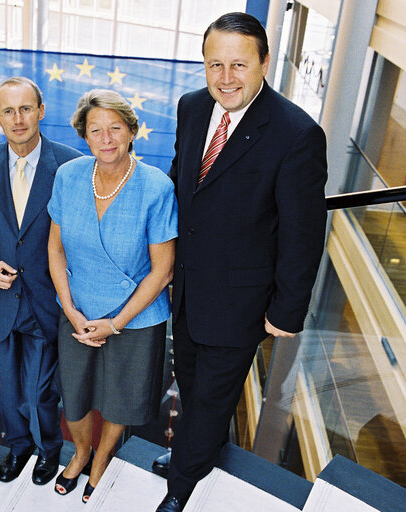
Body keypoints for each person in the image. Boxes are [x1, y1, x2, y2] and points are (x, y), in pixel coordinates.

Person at [153, 13, 327, 512]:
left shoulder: (297, 134)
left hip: (241, 300)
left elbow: (303, 233)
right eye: (215, 64)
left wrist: (286, 310)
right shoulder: (191, 107)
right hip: (185, 288)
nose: (225, 77)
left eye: (238, 65)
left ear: (264, 63)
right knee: (188, 380)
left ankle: (182, 486)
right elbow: (183, 178)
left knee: (210, 399)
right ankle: (197, 452)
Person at [48, 89, 177, 503]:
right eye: (95, 130)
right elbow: (55, 249)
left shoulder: (156, 187)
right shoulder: (69, 175)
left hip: (136, 317)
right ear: (84, 136)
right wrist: (69, 308)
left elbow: (163, 271)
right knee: (76, 396)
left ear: (132, 131)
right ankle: (81, 451)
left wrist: (116, 323)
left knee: (121, 400)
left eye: (115, 128)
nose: (105, 138)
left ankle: (102, 458)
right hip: (78, 309)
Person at [0, 76, 82, 485]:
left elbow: (76, 237)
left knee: (42, 391)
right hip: (0, 299)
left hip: (48, 299)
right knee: (9, 389)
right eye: (8, 111)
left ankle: (50, 450)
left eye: (26, 108)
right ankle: (19, 447)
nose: (18, 119)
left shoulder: (69, 163)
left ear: (42, 111)